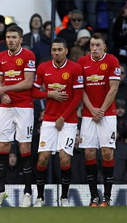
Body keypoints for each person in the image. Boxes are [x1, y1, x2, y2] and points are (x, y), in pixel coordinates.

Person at [30, 38, 84, 207]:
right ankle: (39, 197)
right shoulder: (43, 67)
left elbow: (78, 97)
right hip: (49, 120)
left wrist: (63, 118)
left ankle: (65, 198)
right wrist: (49, 95)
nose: (56, 52)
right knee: (43, 158)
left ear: (66, 51)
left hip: (68, 121)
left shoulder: (75, 68)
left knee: (64, 159)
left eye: (60, 49)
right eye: (54, 50)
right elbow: (33, 91)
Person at [0, 25, 36, 207]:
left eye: (13, 37)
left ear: (20, 40)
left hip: (24, 106)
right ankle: (1, 191)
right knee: (3, 145)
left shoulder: (28, 56)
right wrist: (2, 95)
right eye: (8, 37)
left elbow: (28, 82)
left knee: (24, 147)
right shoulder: (1, 57)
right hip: (6, 106)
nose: (10, 40)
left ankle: (27, 192)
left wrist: (4, 89)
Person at [78, 33, 121, 206]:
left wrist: (101, 110)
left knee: (107, 152)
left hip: (107, 114)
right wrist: (92, 109)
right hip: (89, 113)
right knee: (89, 152)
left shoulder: (112, 61)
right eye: (92, 45)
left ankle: (108, 197)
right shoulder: (82, 62)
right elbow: (80, 89)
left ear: (104, 47)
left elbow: (114, 88)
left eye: (98, 45)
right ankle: (94, 196)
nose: (94, 48)